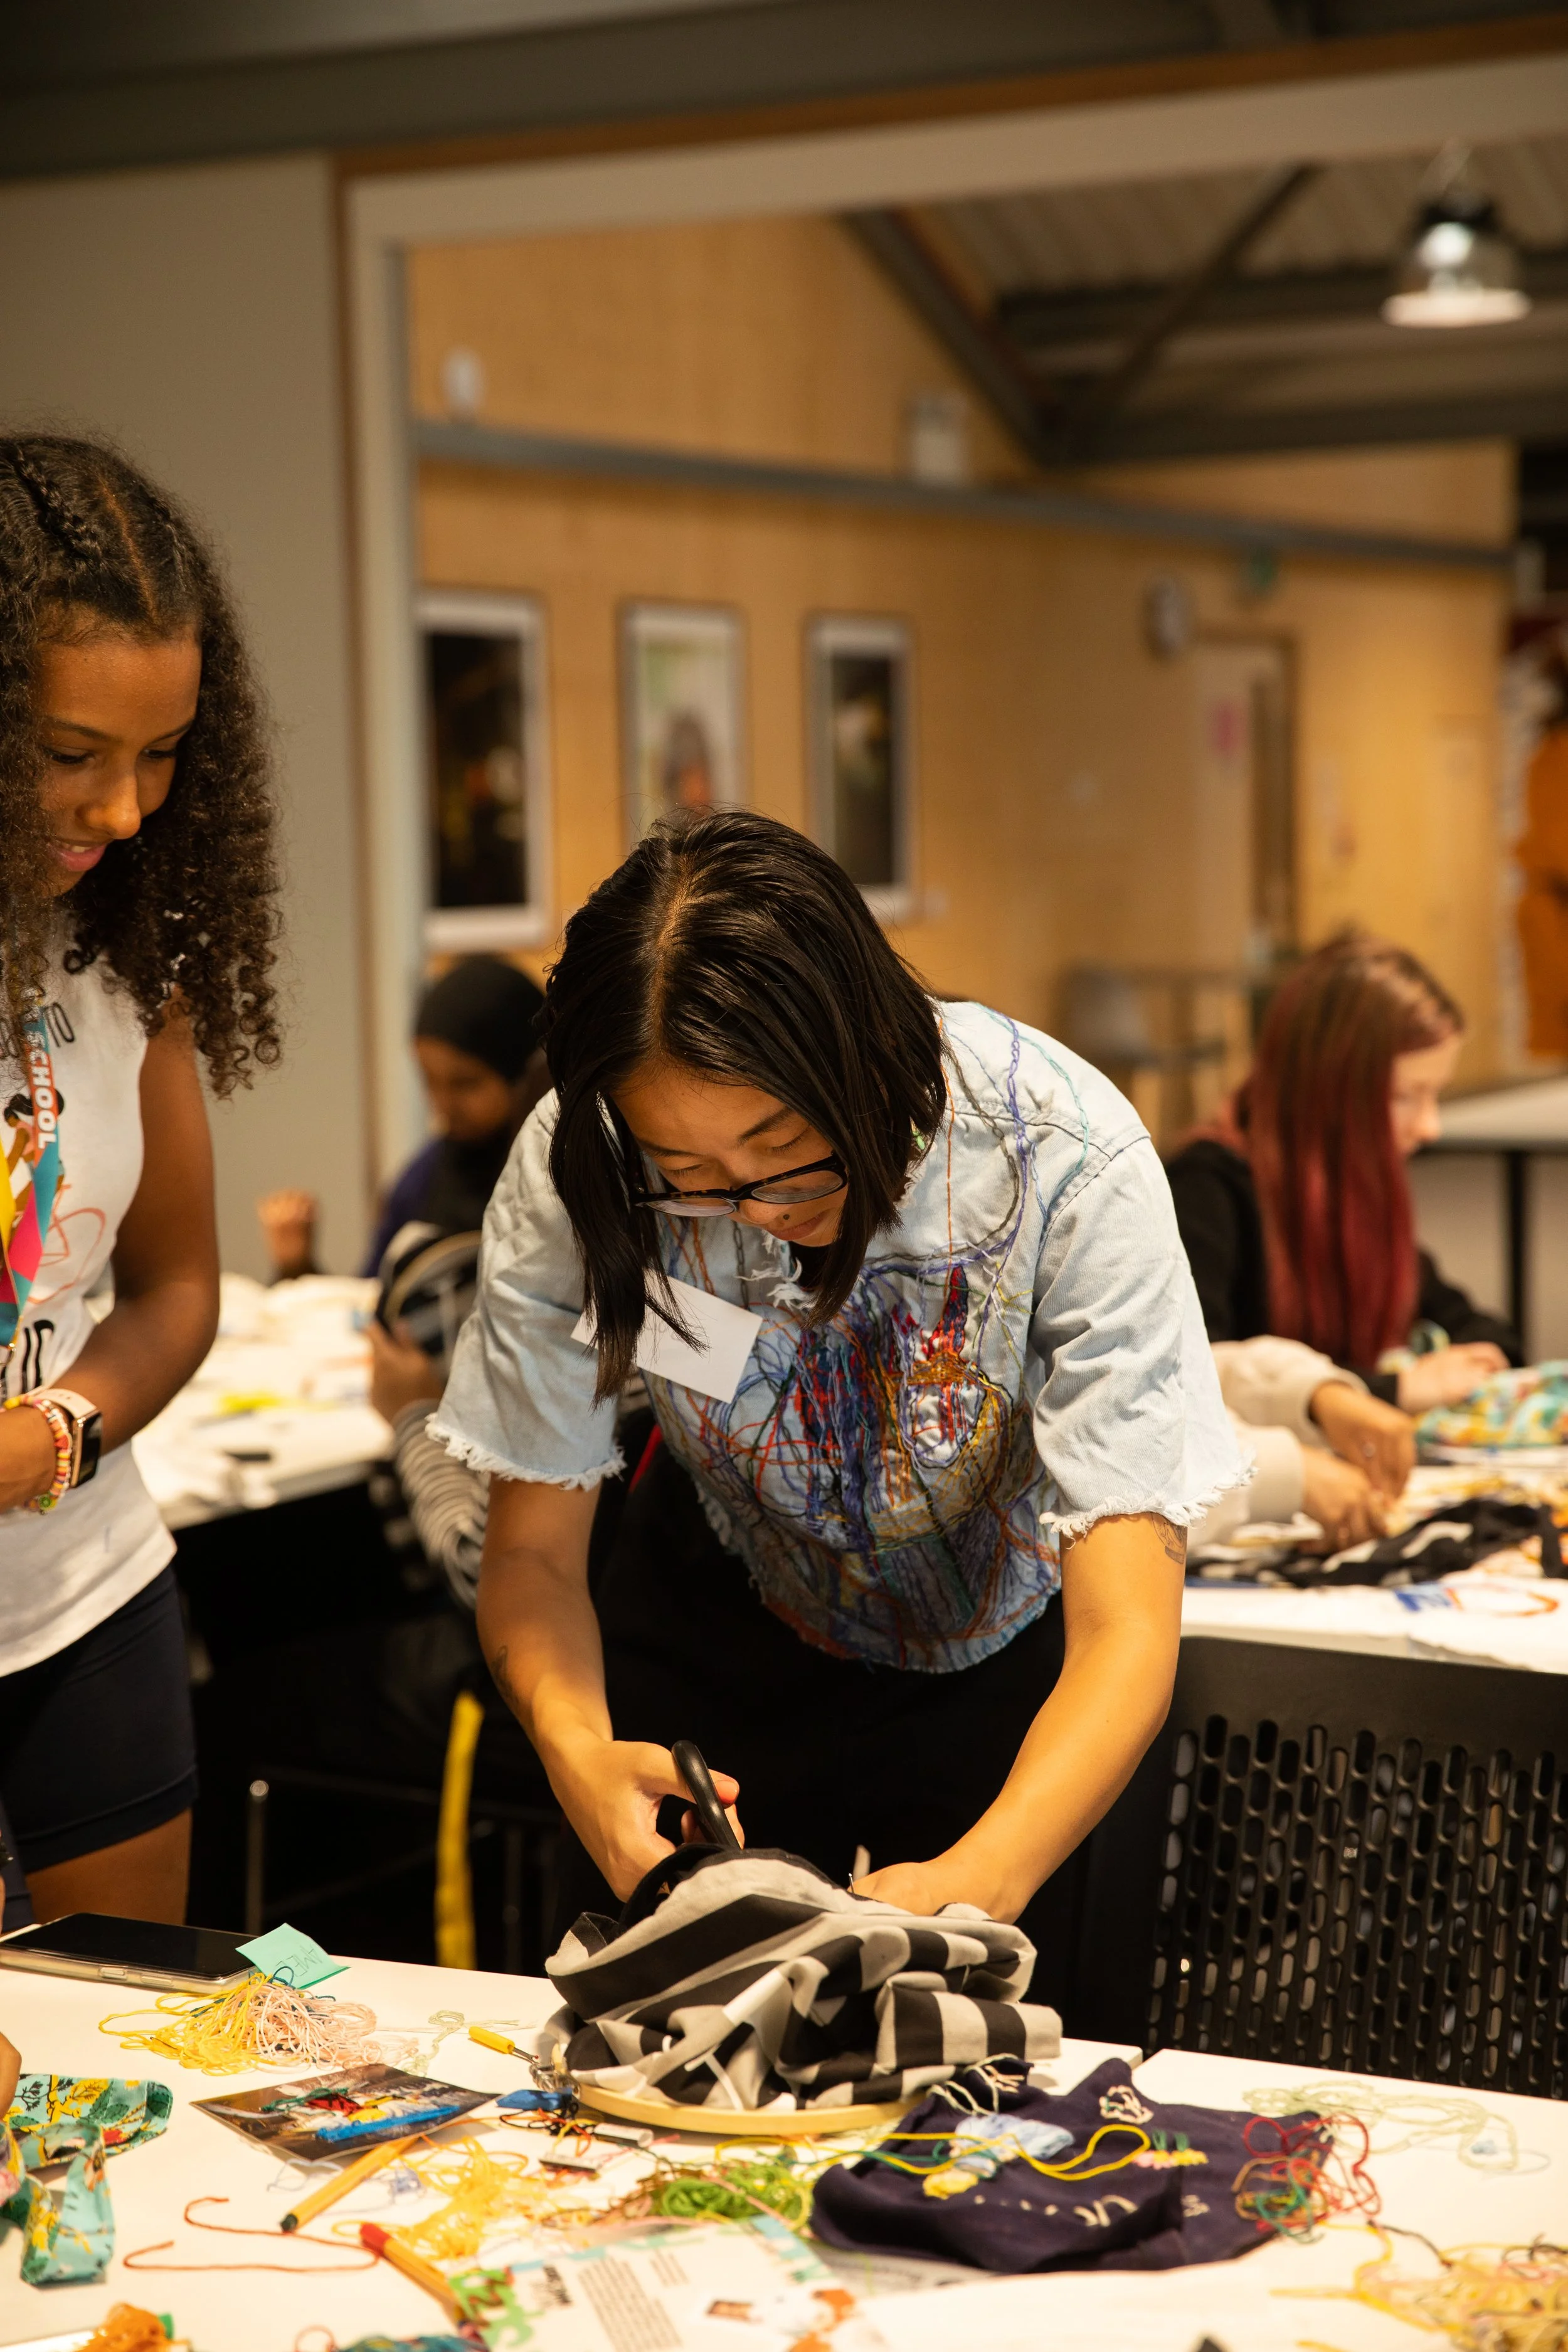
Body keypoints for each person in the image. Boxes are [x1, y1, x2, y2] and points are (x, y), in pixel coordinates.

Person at [436, 810, 1241, 1968]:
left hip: (1013, 1662)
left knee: (1005, 2054)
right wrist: (579, 1756)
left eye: (786, 1148)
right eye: (690, 1175)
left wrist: (986, 1872)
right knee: (674, 2020)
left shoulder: (1060, 1153)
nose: (759, 1209)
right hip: (723, 1617)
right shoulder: (583, 1163)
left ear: (868, 1050)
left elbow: (1127, 1622)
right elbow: (533, 1556)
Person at [0, 433, 277, 1925]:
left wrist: (55, 1432)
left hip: (88, 1602)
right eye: (68, 754)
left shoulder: (123, 949)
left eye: (161, 753)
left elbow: (173, 1289)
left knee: (119, 2033)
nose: (122, 811)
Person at [1167, 934, 1521, 1442]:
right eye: (1406, 1096)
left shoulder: (1355, 1196)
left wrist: (1477, 1362)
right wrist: (1395, 1390)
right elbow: (1193, 1382)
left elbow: (1479, 1329)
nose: (1430, 1127)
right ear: (1330, 1091)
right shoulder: (1208, 1187)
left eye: (1434, 1096)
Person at [257, 956, 546, 1281]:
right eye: (429, 1080)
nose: (443, 1104)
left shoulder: (559, 1181)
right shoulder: (423, 1180)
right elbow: (377, 1294)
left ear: (527, 1075)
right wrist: (298, 1270)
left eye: (464, 1083)